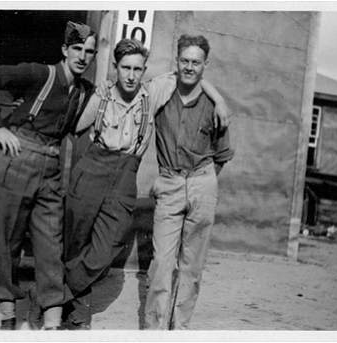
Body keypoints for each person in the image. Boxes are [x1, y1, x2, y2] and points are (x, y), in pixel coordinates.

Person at [62, 38, 229, 330]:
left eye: (137, 69)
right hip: (93, 168)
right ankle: (78, 313)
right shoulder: (102, 95)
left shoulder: (152, 93)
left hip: (129, 172)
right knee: (77, 239)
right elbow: (75, 127)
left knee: (110, 244)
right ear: (115, 68)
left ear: (144, 71)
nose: (130, 74)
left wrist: (220, 99)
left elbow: (190, 75)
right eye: (125, 67)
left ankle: (54, 291)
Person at [0, 21, 97, 330]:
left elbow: (72, 129)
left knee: (50, 245)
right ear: (65, 50)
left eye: (90, 51)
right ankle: (7, 315)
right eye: (77, 49)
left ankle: (52, 322)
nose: (83, 56)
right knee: (6, 242)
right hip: (17, 160)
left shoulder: (84, 92)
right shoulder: (40, 74)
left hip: (52, 168)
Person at [145, 34, 234, 330]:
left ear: (205, 65)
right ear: (176, 61)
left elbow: (222, 154)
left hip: (203, 182)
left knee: (192, 266)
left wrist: (200, 183)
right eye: (184, 60)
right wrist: (170, 181)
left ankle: (179, 329)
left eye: (196, 62)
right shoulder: (161, 93)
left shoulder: (214, 106)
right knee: (161, 264)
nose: (189, 67)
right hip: (170, 181)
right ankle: (154, 329)